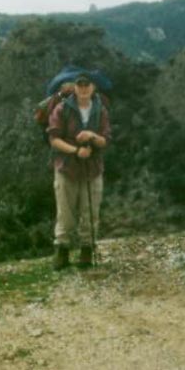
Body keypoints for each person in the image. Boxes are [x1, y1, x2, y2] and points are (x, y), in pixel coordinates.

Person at [47, 71, 112, 270]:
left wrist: (91, 136)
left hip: (92, 168)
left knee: (90, 211)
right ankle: (62, 250)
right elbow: (54, 139)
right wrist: (76, 151)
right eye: (80, 84)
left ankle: (87, 249)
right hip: (67, 167)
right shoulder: (62, 108)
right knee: (65, 211)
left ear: (93, 88)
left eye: (87, 84)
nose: (84, 88)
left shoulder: (100, 110)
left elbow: (106, 140)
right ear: (74, 87)